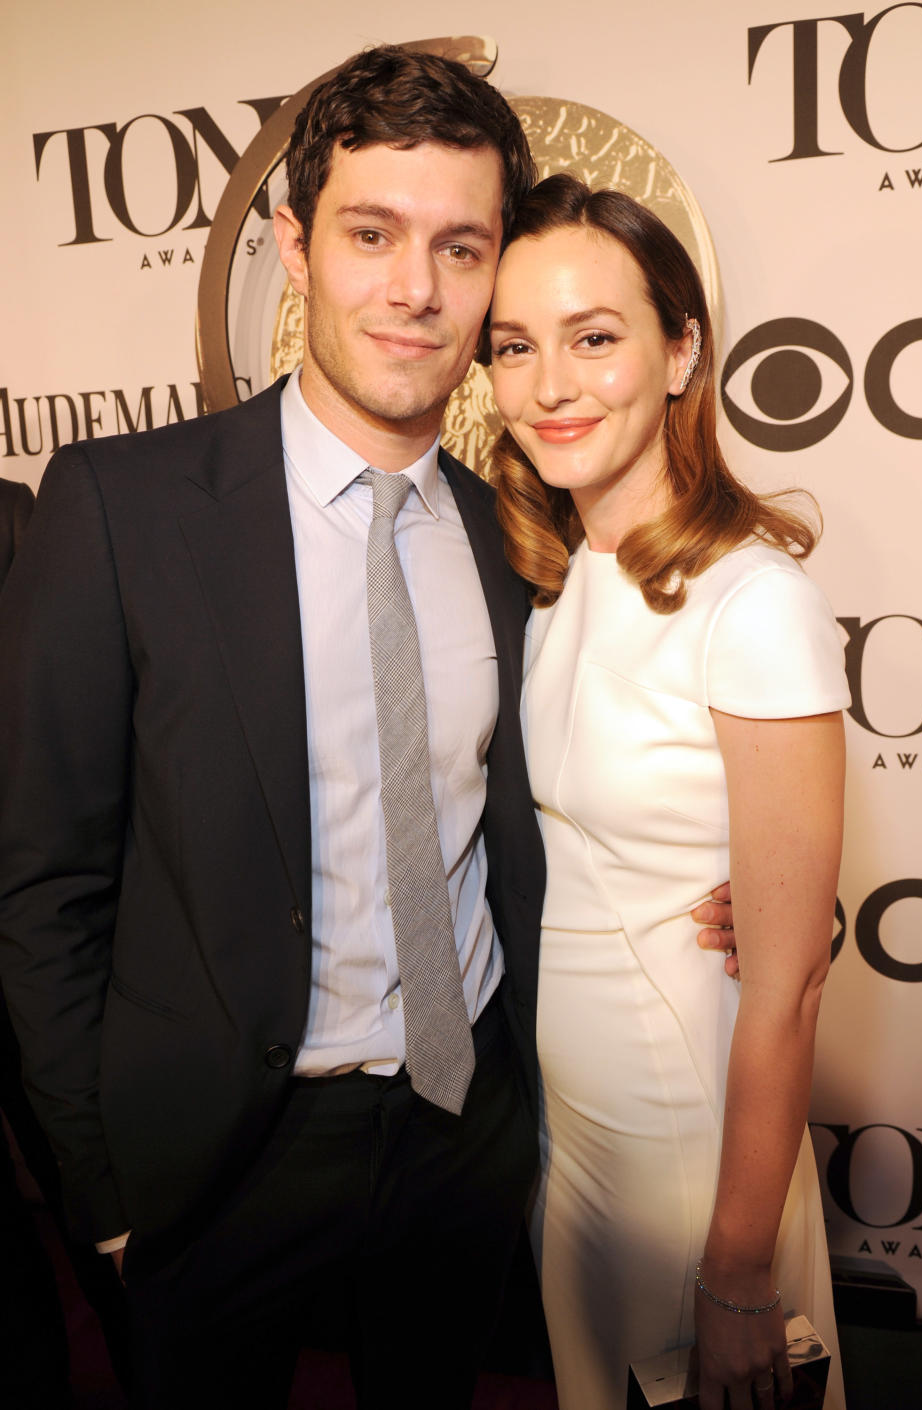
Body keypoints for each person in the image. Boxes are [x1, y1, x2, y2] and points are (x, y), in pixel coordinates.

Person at [0, 48, 735, 1409]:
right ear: (294, 245)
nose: (415, 289)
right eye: (371, 234)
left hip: (466, 1137)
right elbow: (44, 884)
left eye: (462, 246)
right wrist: (98, 1187)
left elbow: (588, 795)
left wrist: (745, 896)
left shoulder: (525, 534)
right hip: (214, 1161)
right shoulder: (117, 509)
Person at [489, 173, 849, 1410]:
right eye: (514, 346)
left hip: (692, 1139)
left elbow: (793, 973)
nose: (551, 385)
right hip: (574, 1130)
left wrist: (741, 1268)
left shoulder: (754, 605)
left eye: (596, 338)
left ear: (682, 349)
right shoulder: (551, 578)